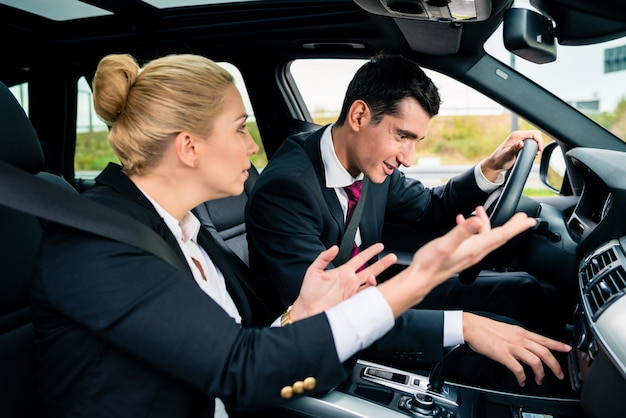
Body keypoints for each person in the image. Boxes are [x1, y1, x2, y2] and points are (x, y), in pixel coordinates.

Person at [31, 53, 566, 418]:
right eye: (241, 128)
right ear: (189, 147)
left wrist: (300, 314)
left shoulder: (188, 232)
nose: (253, 148)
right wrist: (422, 277)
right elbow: (240, 369)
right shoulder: (101, 245)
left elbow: (247, 338)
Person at [245, 54, 570, 392]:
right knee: (498, 345)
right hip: (332, 339)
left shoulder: (368, 159)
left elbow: (431, 207)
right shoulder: (285, 190)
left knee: (523, 290)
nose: (409, 159)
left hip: (372, 295)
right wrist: (464, 327)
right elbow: (330, 319)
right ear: (359, 116)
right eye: (402, 136)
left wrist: (490, 167)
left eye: (417, 141)